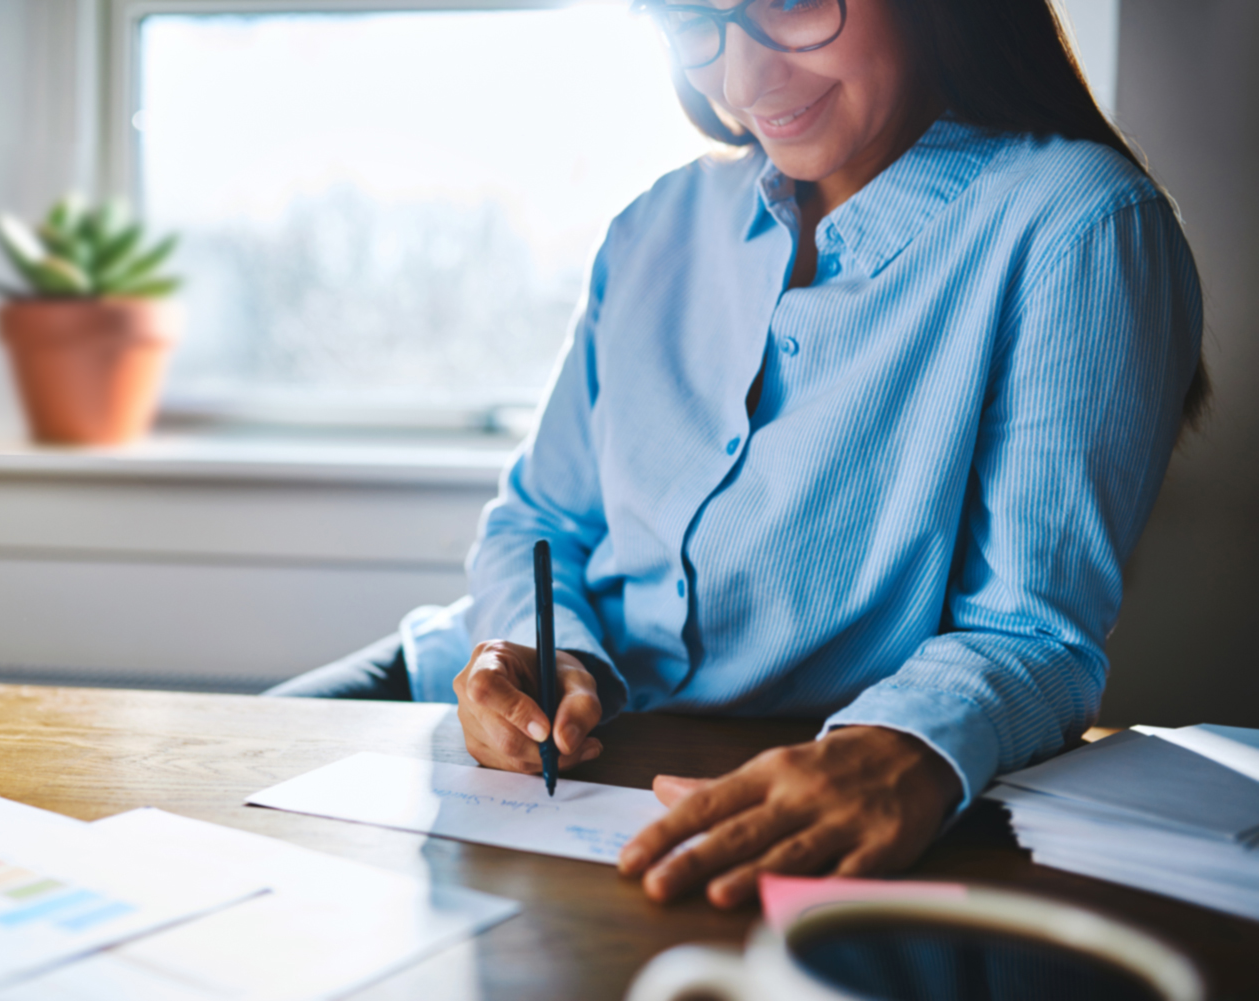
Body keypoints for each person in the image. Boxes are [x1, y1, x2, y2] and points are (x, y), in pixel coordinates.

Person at [267, 0, 1207, 909]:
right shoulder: (657, 223)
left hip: (785, 769)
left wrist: (905, 748)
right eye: (690, 18)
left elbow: (1031, 633)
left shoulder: (1075, 222)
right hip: (467, 705)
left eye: (793, 2)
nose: (741, 76)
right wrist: (533, 650)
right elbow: (541, 520)